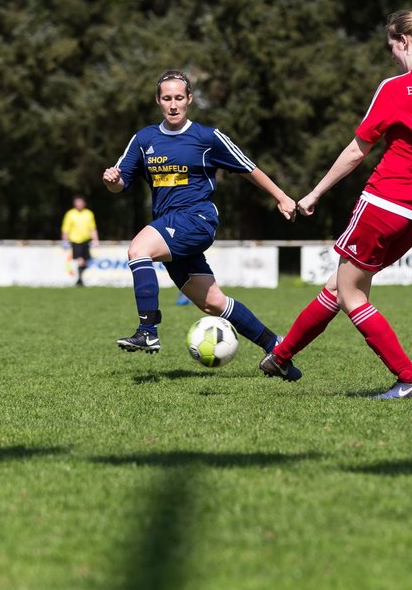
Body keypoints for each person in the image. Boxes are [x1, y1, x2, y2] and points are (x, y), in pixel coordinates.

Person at [259, 10, 412, 399]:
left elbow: (357, 152)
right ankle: (281, 356)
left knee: (353, 294)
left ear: (403, 41)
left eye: (391, 45)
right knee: (339, 286)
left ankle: (409, 378)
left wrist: (314, 193)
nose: (390, 53)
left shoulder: (395, 88)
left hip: (383, 203)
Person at [102, 70, 300, 378]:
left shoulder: (207, 137)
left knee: (138, 249)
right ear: (158, 101)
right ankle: (276, 347)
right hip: (168, 224)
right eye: (166, 98)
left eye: (179, 98)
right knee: (212, 303)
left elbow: (248, 167)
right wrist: (111, 180)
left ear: (190, 100)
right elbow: (120, 183)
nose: (173, 104)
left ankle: (148, 329)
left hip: (197, 218)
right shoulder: (144, 140)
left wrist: (282, 197)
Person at [60, 195, 99, 286]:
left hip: (86, 241)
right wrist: (65, 241)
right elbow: (65, 229)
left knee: (86, 261)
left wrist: (95, 240)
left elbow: (92, 228)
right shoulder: (70, 214)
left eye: (80, 202)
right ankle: (79, 280)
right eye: (77, 202)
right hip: (76, 241)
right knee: (80, 260)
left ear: (84, 203)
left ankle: (80, 279)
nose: (79, 204)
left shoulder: (89, 214)